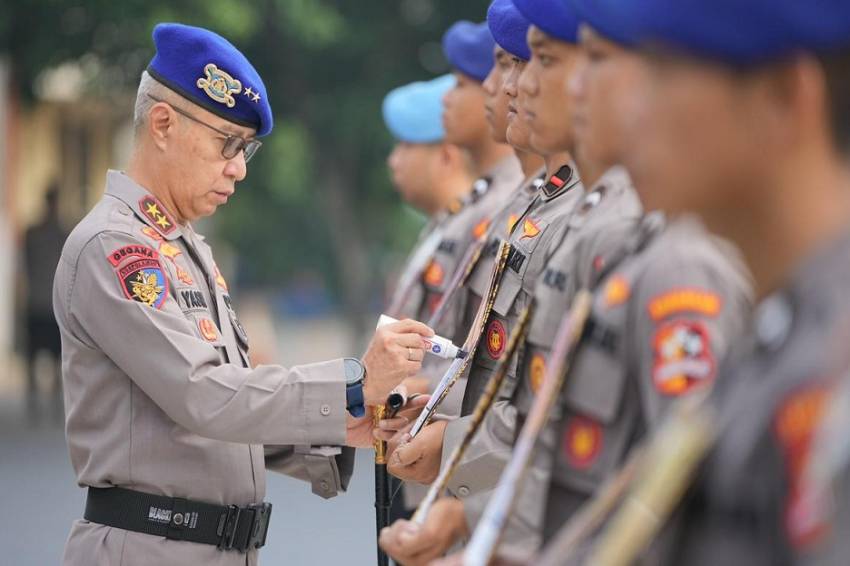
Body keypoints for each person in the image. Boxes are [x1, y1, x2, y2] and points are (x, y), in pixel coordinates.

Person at [53, 23, 432, 565]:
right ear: (162, 124)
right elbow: (204, 396)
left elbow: (215, 412)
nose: (237, 167)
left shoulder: (185, 247)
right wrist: (353, 381)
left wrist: (348, 425)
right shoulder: (116, 247)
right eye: (226, 143)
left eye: (245, 150)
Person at [540, 0, 850, 564]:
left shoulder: (832, 368)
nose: (633, 106)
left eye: (661, 72)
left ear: (783, 95)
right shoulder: (779, 328)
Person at [23, 183, 68, 423]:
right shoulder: (55, 233)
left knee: (55, 357)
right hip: (43, 302)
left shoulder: (58, 233)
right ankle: (37, 404)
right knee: (36, 358)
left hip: (46, 302)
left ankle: (50, 404)